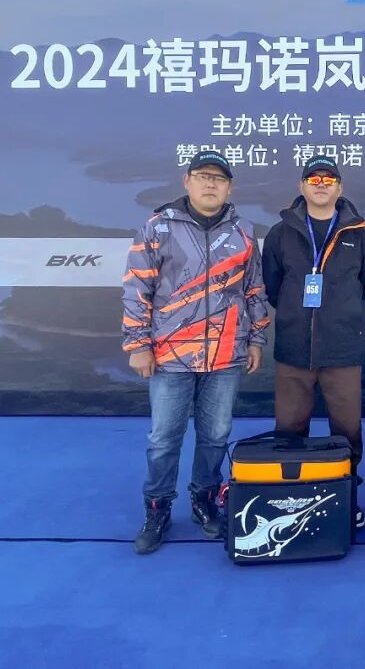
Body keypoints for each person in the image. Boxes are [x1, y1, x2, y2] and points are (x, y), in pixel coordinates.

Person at [122, 150, 269, 554]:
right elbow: (137, 288)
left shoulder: (243, 232)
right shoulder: (158, 227)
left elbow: (254, 290)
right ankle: (157, 509)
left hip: (225, 355)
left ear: (229, 188)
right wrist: (138, 344)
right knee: (163, 439)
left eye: (218, 178)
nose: (210, 184)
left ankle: (205, 500)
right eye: (202, 176)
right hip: (170, 355)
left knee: (216, 435)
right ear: (186, 181)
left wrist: (257, 339)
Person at [261, 155, 365, 529]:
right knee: (289, 430)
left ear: (340, 188)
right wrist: (294, 317)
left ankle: (345, 497)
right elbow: (273, 287)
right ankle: (291, 496)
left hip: (343, 352)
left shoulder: (361, 233)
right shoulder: (281, 233)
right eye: (313, 179)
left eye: (328, 179)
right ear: (301, 187)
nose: (321, 185)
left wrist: (349, 320)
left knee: (346, 433)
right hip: (293, 351)